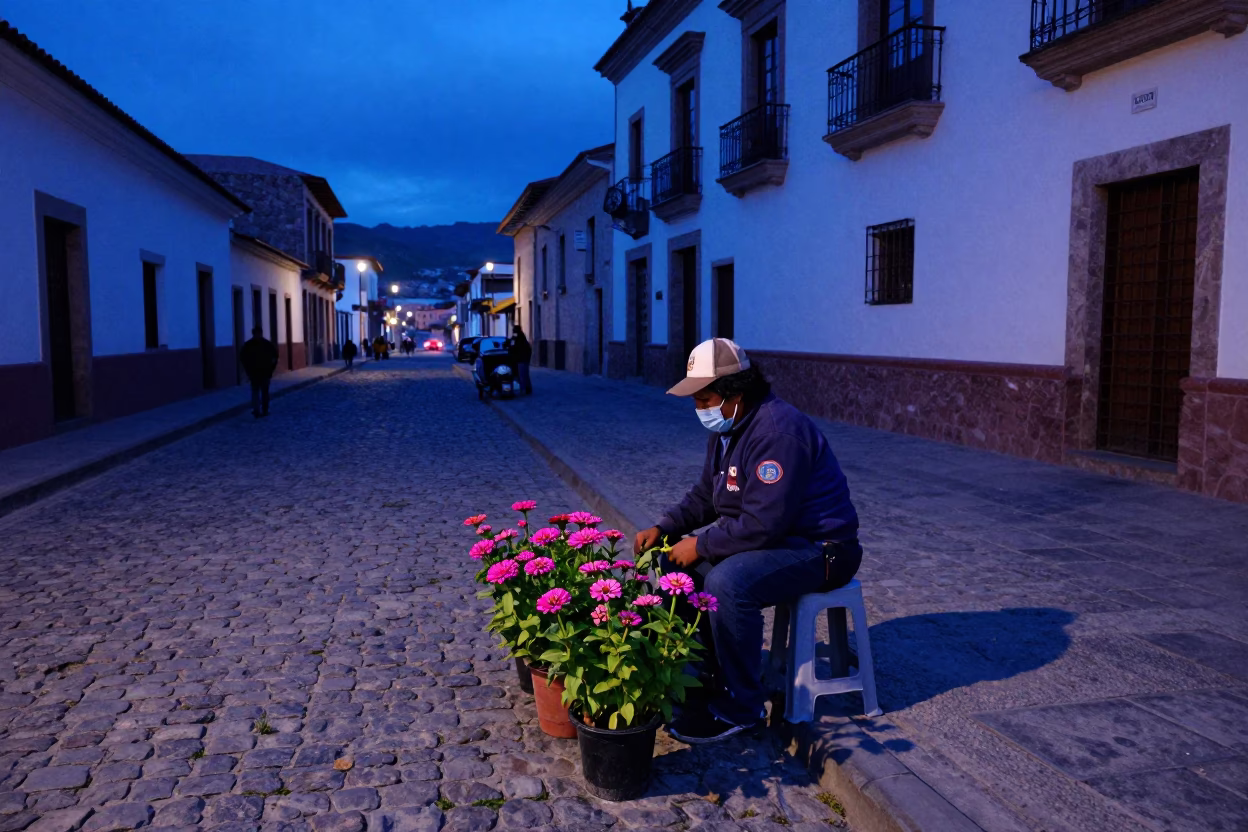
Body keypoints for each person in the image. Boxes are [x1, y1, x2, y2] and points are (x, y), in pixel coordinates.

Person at [633, 338, 861, 744]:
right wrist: (666, 528)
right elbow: (707, 495)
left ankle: (741, 706)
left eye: (705, 399)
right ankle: (702, 675)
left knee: (729, 582)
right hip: (779, 540)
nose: (699, 409)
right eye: (696, 401)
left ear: (735, 393)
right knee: (673, 564)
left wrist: (701, 546)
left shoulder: (777, 432)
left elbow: (763, 523)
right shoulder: (730, 427)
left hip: (823, 549)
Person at [238, 326, 279, 418]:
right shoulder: (267, 344)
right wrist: (271, 369)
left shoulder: (249, 345)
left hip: (259, 373)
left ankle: (259, 410)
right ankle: (261, 410)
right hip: (260, 372)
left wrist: (247, 370)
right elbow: (275, 358)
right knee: (261, 392)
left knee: (259, 391)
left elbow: (275, 357)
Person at [508, 325, 533, 395]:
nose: (513, 332)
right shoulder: (518, 337)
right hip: (520, 359)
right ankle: (527, 388)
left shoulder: (520, 338)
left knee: (522, 375)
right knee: (524, 375)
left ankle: (524, 389)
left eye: (514, 330)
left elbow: (516, 347)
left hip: (521, 359)